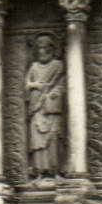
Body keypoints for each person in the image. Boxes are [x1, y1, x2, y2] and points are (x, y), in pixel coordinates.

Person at [25, 33, 65, 178]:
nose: (43, 51)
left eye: (46, 48)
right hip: (37, 107)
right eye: (40, 48)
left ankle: (55, 171)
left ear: (52, 49)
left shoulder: (57, 65)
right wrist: (36, 85)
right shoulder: (34, 66)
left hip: (51, 107)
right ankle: (40, 172)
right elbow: (26, 84)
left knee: (53, 137)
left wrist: (52, 93)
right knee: (37, 141)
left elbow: (62, 84)